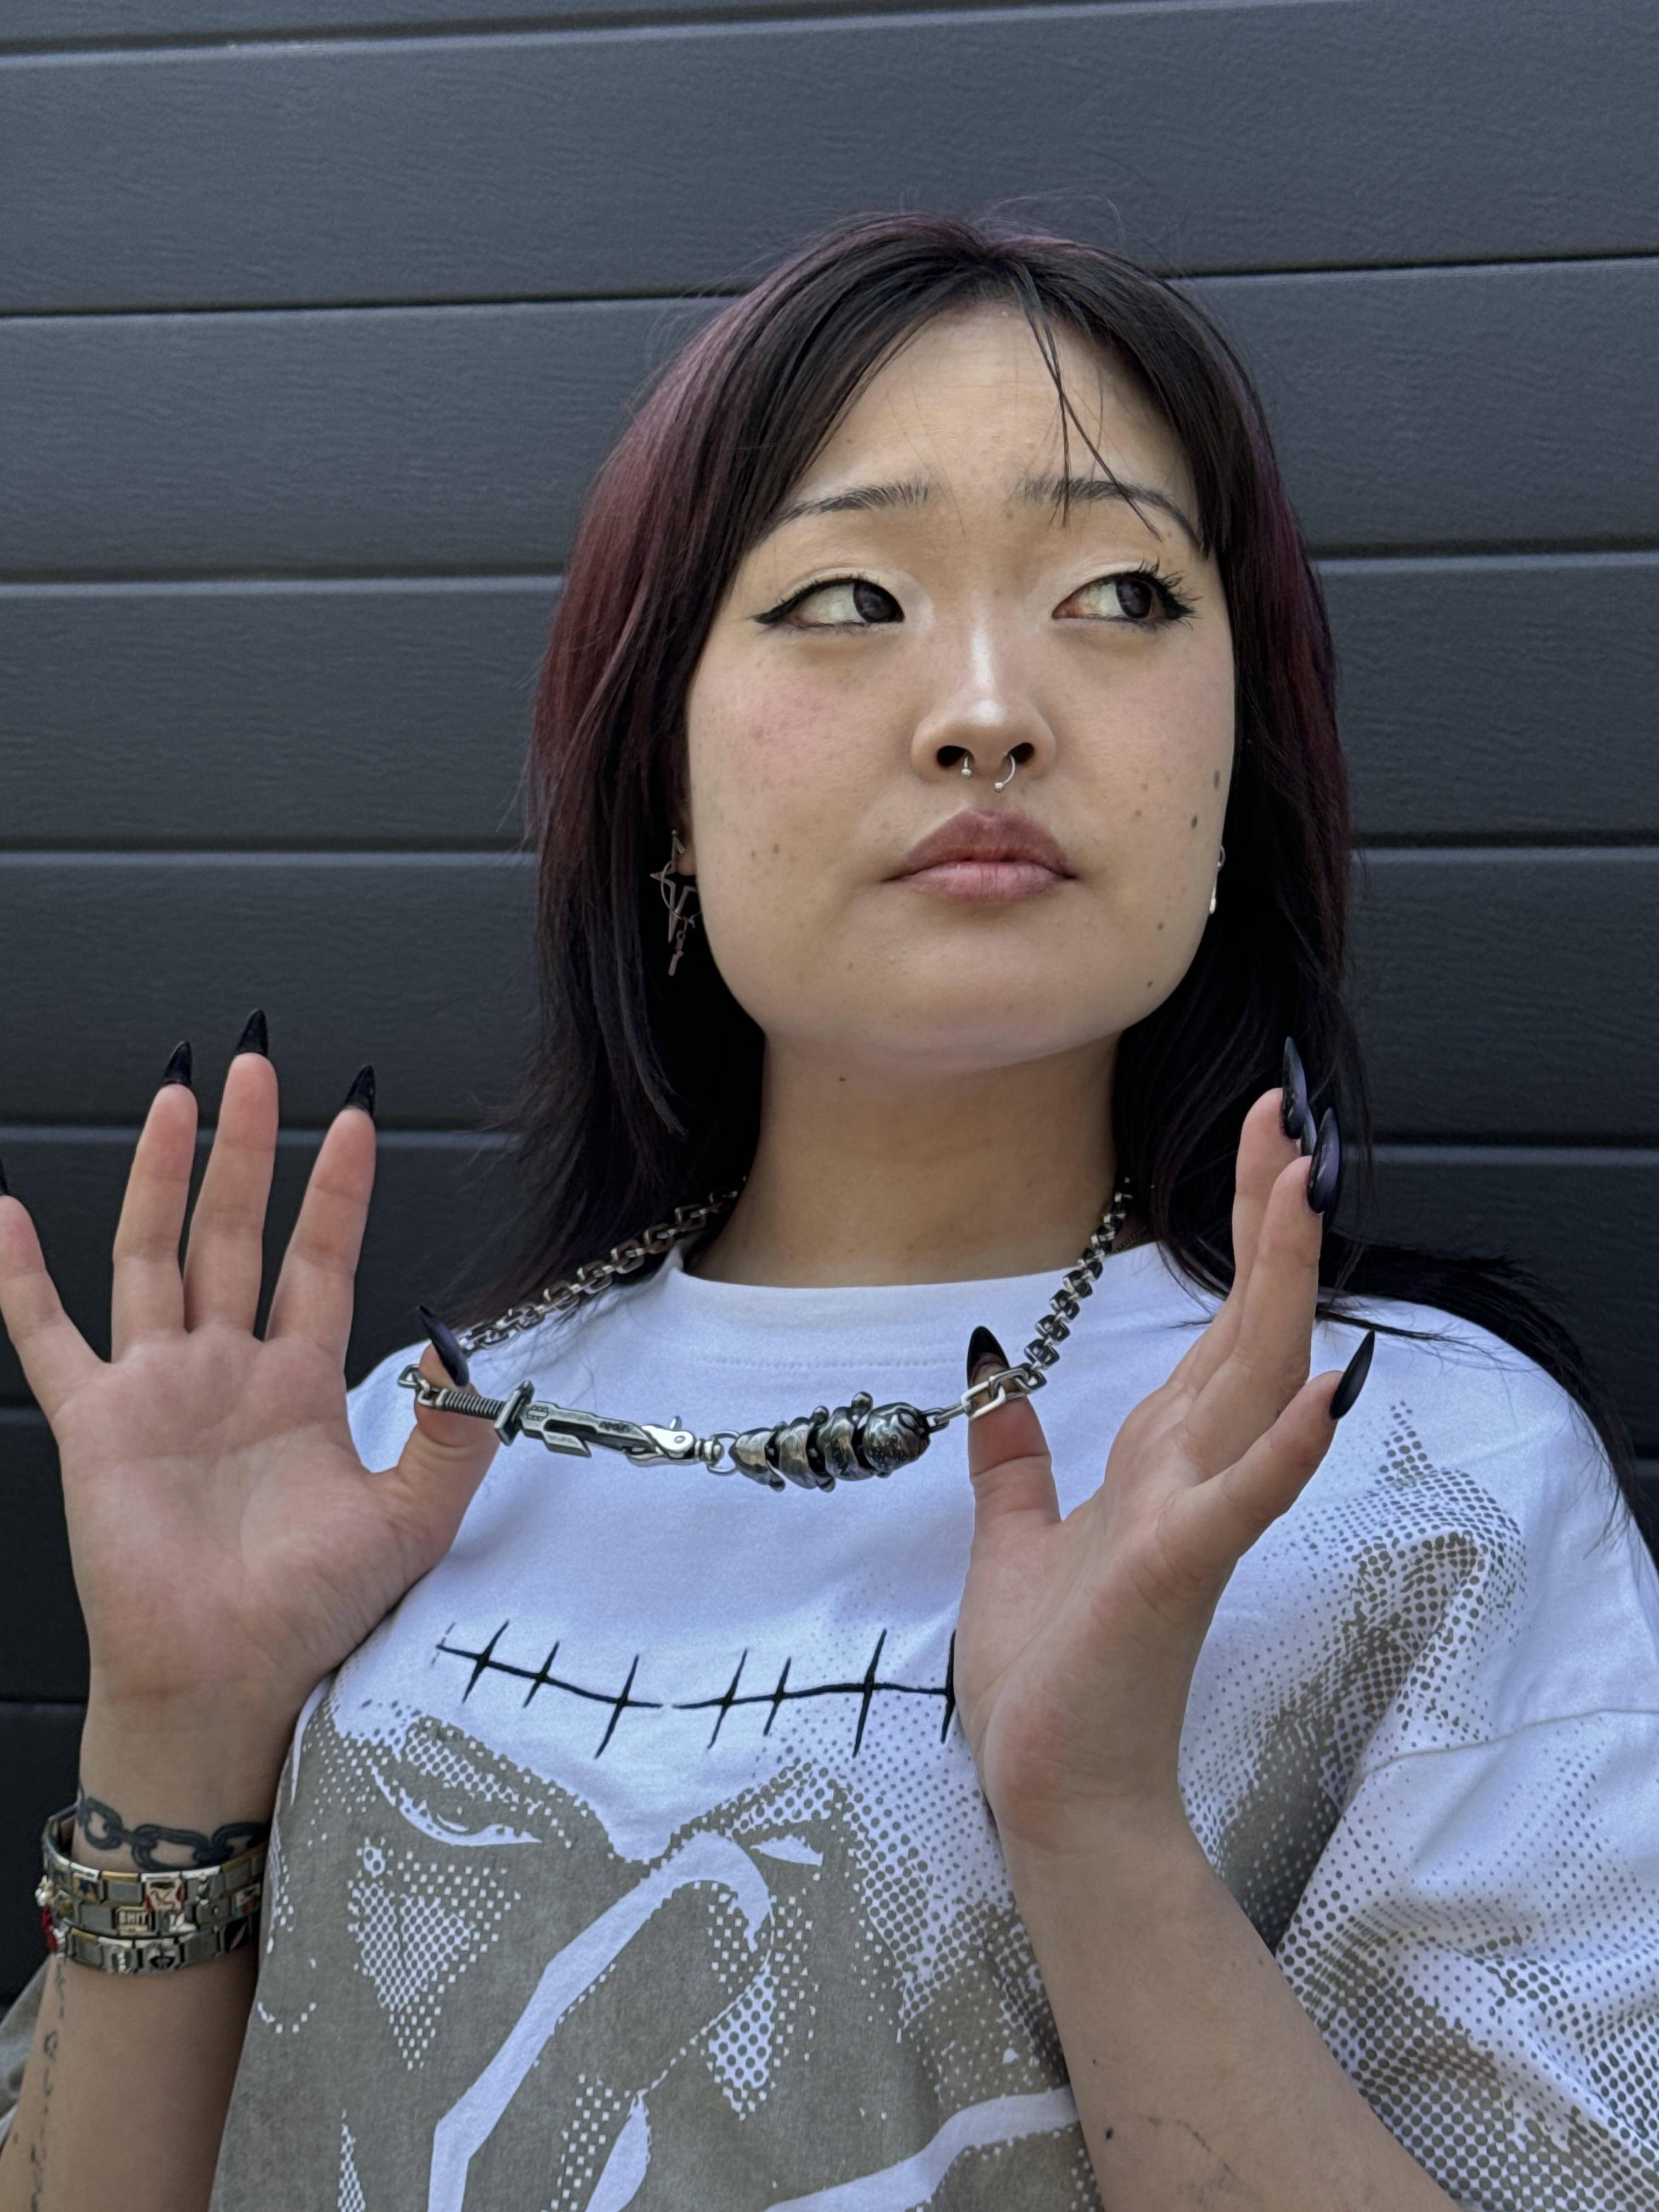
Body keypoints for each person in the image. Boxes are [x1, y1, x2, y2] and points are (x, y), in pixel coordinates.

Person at [1, 213, 1656, 2212]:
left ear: (1242, 763)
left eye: (1124, 593)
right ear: (665, 787)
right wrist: (171, 1734)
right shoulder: (389, 1465)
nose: (989, 709)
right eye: (849, 597)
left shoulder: (1410, 1477)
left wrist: (1097, 1828)